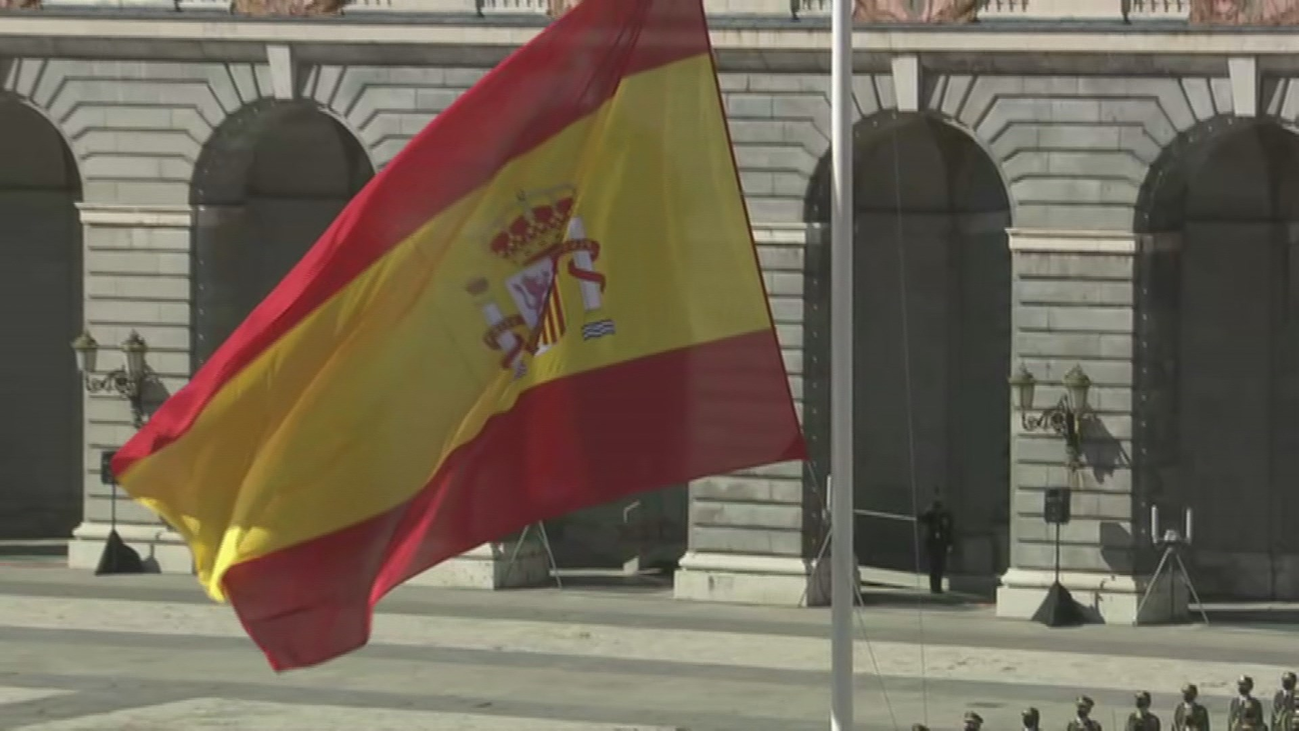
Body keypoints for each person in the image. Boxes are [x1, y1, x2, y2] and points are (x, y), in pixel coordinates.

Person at [918, 497, 954, 594]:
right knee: (934, 565)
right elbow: (921, 518)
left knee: (940, 566)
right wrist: (928, 510)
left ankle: (938, 586)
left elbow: (949, 530)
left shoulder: (946, 516)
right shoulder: (930, 515)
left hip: (941, 543)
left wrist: (950, 543)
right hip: (932, 543)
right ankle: (934, 587)